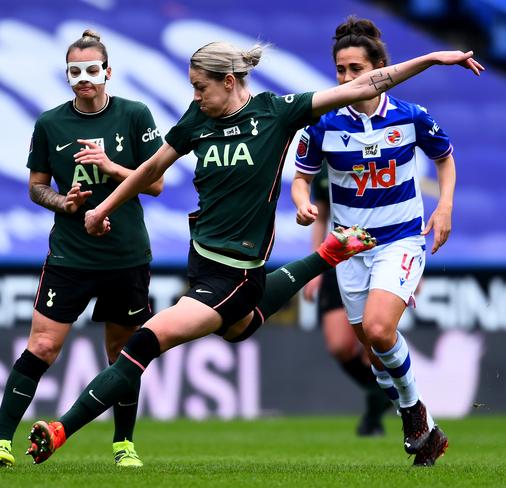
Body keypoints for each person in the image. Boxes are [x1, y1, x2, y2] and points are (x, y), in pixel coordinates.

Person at [25, 37, 482, 467]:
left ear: (228, 82)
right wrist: (101, 207)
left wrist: (429, 60)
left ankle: (62, 429)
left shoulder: (277, 114)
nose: (195, 95)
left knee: (145, 339)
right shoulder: (197, 120)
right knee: (238, 328)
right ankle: (325, 257)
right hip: (202, 260)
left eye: (200, 87)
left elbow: (367, 84)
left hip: (237, 272)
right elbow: (151, 169)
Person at [0, 29, 164, 468]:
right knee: (42, 346)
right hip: (70, 256)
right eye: (75, 71)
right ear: (67, 75)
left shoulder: (135, 115)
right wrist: (66, 202)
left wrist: (111, 166)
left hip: (126, 255)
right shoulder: (50, 123)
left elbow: (155, 183)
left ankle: (124, 445)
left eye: (92, 70)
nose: (84, 78)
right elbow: (36, 188)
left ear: (108, 72)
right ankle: (0, 443)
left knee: (123, 353)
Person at [292, 16, 472, 466]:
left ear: (379, 68)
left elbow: (445, 159)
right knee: (373, 354)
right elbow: (301, 178)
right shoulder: (324, 124)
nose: (347, 78)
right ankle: (428, 434)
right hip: (350, 248)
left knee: (377, 329)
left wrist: (445, 207)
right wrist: (302, 203)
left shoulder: (411, 117)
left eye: (356, 69)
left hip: (401, 240)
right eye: (341, 70)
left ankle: (413, 412)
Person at [302, 164, 392, 436]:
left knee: (373, 343)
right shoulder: (326, 161)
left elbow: (398, 206)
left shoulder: (378, 152)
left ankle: (379, 412)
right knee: (340, 345)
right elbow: (321, 217)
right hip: (339, 257)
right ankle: (382, 394)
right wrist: (314, 266)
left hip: (380, 255)